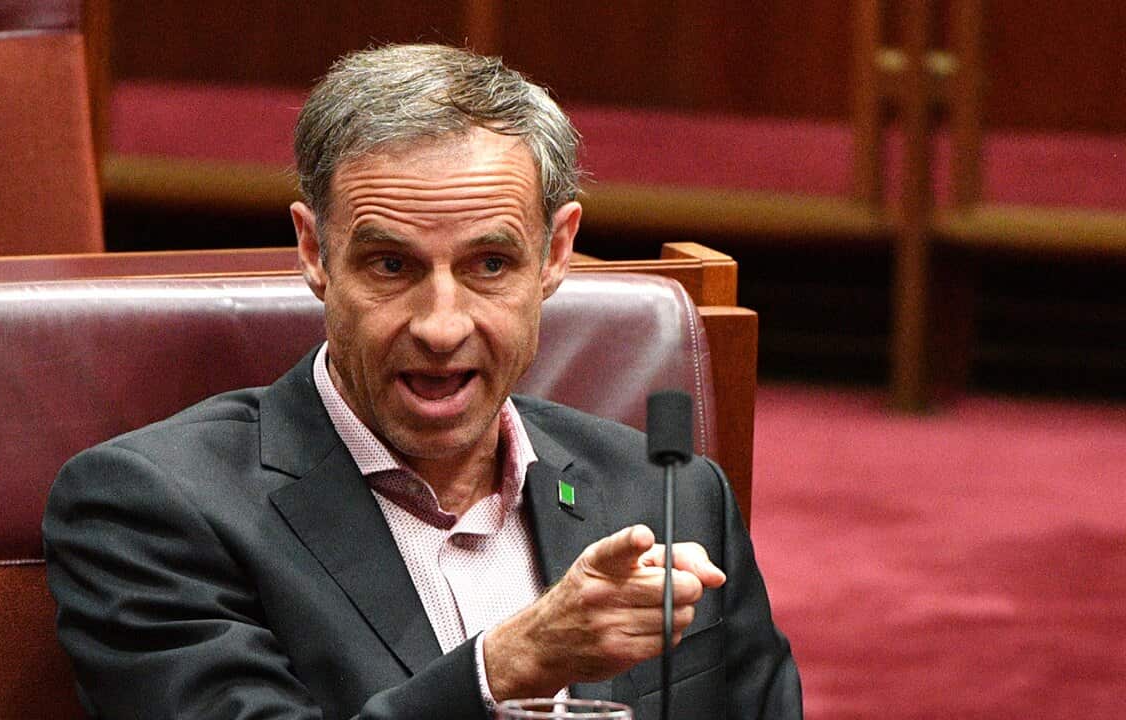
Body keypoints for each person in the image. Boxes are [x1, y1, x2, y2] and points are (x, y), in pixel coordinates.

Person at [43, 43, 801, 719]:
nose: (441, 326)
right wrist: (503, 668)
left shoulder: (668, 493)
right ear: (315, 252)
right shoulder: (153, 507)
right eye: (392, 265)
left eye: (490, 265)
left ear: (556, 253)